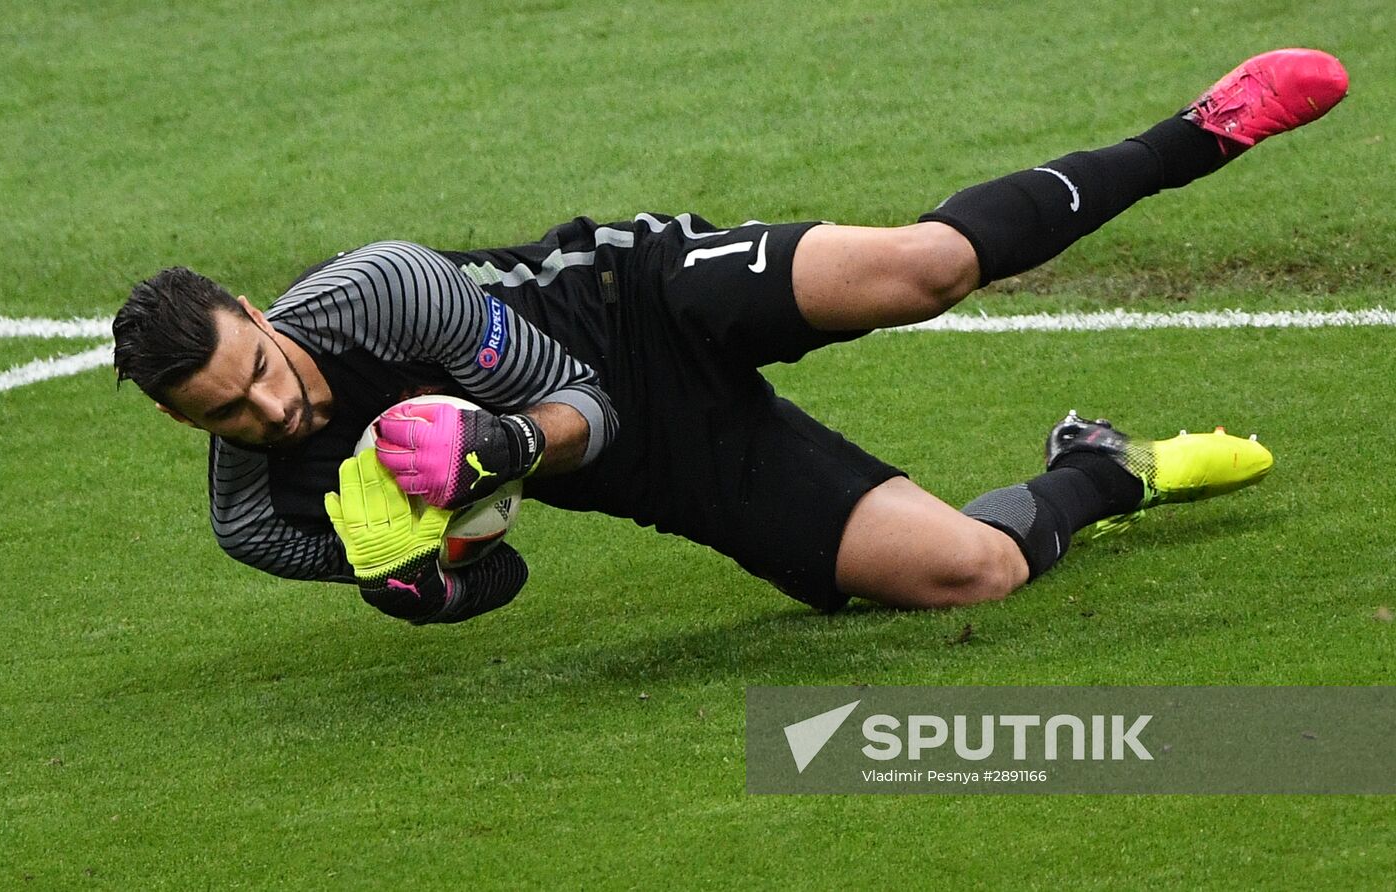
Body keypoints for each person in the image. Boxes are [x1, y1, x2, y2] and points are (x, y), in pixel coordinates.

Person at [112, 49, 1346, 626]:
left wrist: (491, 442)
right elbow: (502, 570)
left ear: (264, 319)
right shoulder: (264, 518)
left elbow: (575, 398)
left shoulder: (379, 294)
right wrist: (431, 582)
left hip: (633, 301)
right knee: (972, 573)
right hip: (653, 458)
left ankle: (1201, 127)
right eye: (229, 411)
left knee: (925, 267)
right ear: (184, 424)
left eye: (260, 368)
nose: (269, 408)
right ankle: (1105, 466)